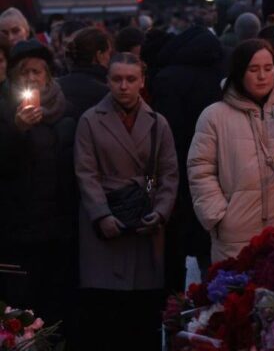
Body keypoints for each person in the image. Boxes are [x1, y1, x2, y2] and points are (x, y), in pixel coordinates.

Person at [74, 52, 178, 351]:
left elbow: (168, 175)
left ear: (142, 81)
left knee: (141, 316)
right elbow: (86, 173)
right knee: (106, 315)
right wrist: (101, 215)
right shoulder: (90, 121)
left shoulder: (158, 123)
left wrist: (160, 211)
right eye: (117, 79)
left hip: (144, 223)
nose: (124, 86)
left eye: (131, 79)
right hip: (105, 227)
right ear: (107, 81)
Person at [188, 39, 274, 262]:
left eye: (268, 69)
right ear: (239, 72)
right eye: (253, 69)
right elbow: (200, 169)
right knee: (237, 293)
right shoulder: (214, 116)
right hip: (236, 233)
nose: (262, 76)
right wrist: (218, 216)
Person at [0, 39, 78, 347]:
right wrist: (18, 131)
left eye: (38, 72)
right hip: (18, 231)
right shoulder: (5, 112)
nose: (32, 79)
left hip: (58, 231)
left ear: (48, 76)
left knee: (55, 305)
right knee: (20, 310)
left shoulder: (64, 111)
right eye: (25, 73)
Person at [150, 25, 224, 291]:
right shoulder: (220, 73)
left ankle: (174, 316)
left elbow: (162, 137)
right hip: (217, 174)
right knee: (212, 255)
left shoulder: (167, 78)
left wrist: (154, 183)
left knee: (174, 256)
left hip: (176, 175)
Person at [58, 27, 112, 121]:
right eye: (108, 53)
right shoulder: (106, 92)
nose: (109, 59)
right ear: (99, 55)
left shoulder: (57, 86)